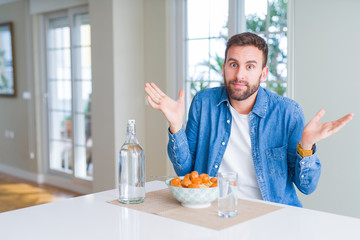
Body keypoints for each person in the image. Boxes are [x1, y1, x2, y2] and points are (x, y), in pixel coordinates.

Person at [144, 32, 353, 207]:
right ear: (224, 67)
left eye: (250, 66)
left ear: (263, 73)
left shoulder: (288, 112)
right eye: (233, 64)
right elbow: (186, 172)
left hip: (272, 215)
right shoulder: (203, 102)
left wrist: (306, 146)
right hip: (215, 211)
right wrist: (176, 125)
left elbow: (307, 187)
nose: (239, 75)